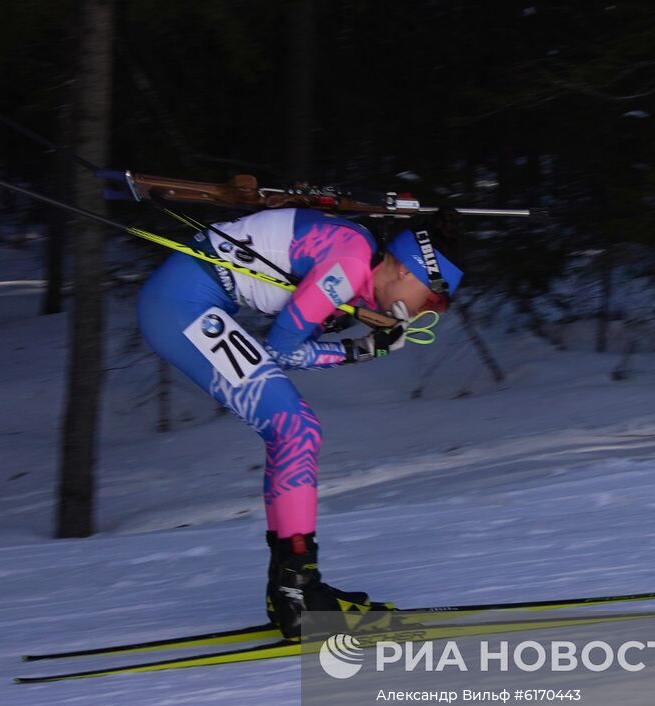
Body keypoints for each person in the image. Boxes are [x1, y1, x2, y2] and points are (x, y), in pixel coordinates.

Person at [135, 207, 464, 639]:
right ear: (405, 269)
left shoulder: (357, 267)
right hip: (180, 306)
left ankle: (292, 589)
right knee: (294, 428)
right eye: (433, 298)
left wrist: (359, 331)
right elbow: (285, 352)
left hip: (186, 301)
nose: (428, 312)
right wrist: (360, 350)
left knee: (293, 430)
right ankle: (297, 592)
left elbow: (302, 335)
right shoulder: (348, 262)